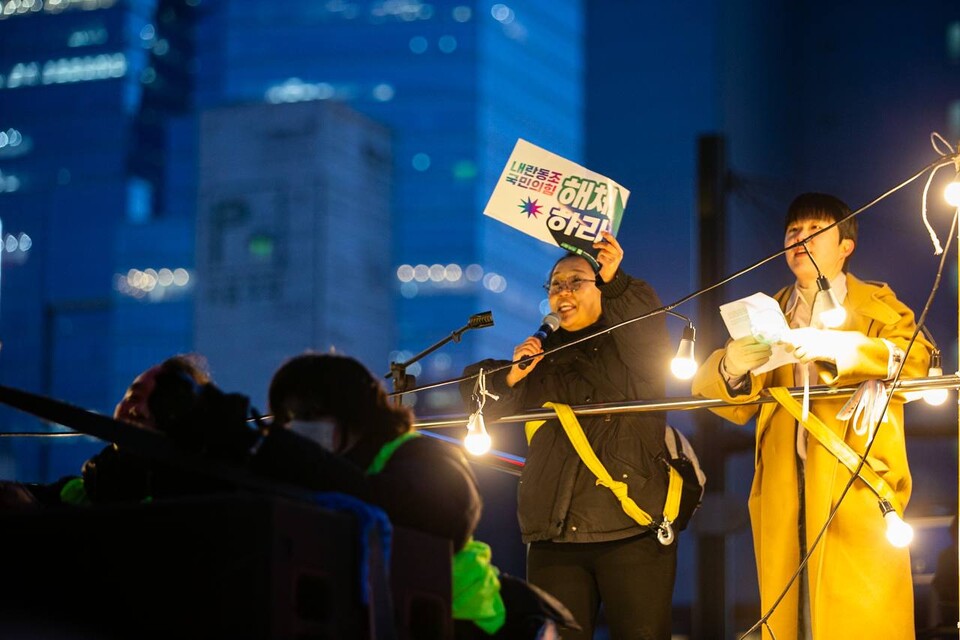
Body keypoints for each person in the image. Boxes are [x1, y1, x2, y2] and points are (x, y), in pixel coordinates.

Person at [691, 193, 932, 640]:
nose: (801, 240)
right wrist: (732, 364)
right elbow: (730, 403)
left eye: (815, 230)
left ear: (846, 245)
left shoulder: (878, 307)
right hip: (784, 484)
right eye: (792, 232)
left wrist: (841, 348)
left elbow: (916, 360)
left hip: (857, 482)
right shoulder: (768, 312)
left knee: (863, 612)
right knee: (790, 613)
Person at [252, 353, 574, 638]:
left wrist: (307, 462)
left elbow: (441, 516)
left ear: (345, 413)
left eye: (300, 417)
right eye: (283, 420)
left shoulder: (421, 453)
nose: (292, 429)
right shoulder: (319, 471)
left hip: (467, 619)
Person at [462, 232, 676, 640]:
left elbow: (646, 329)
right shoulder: (539, 358)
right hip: (553, 534)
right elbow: (475, 394)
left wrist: (617, 281)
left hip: (630, 527)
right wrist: (510, 373)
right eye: (556, 284)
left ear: (601, 289)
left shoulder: (632, 348)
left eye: (576, 281)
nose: (564, 291)